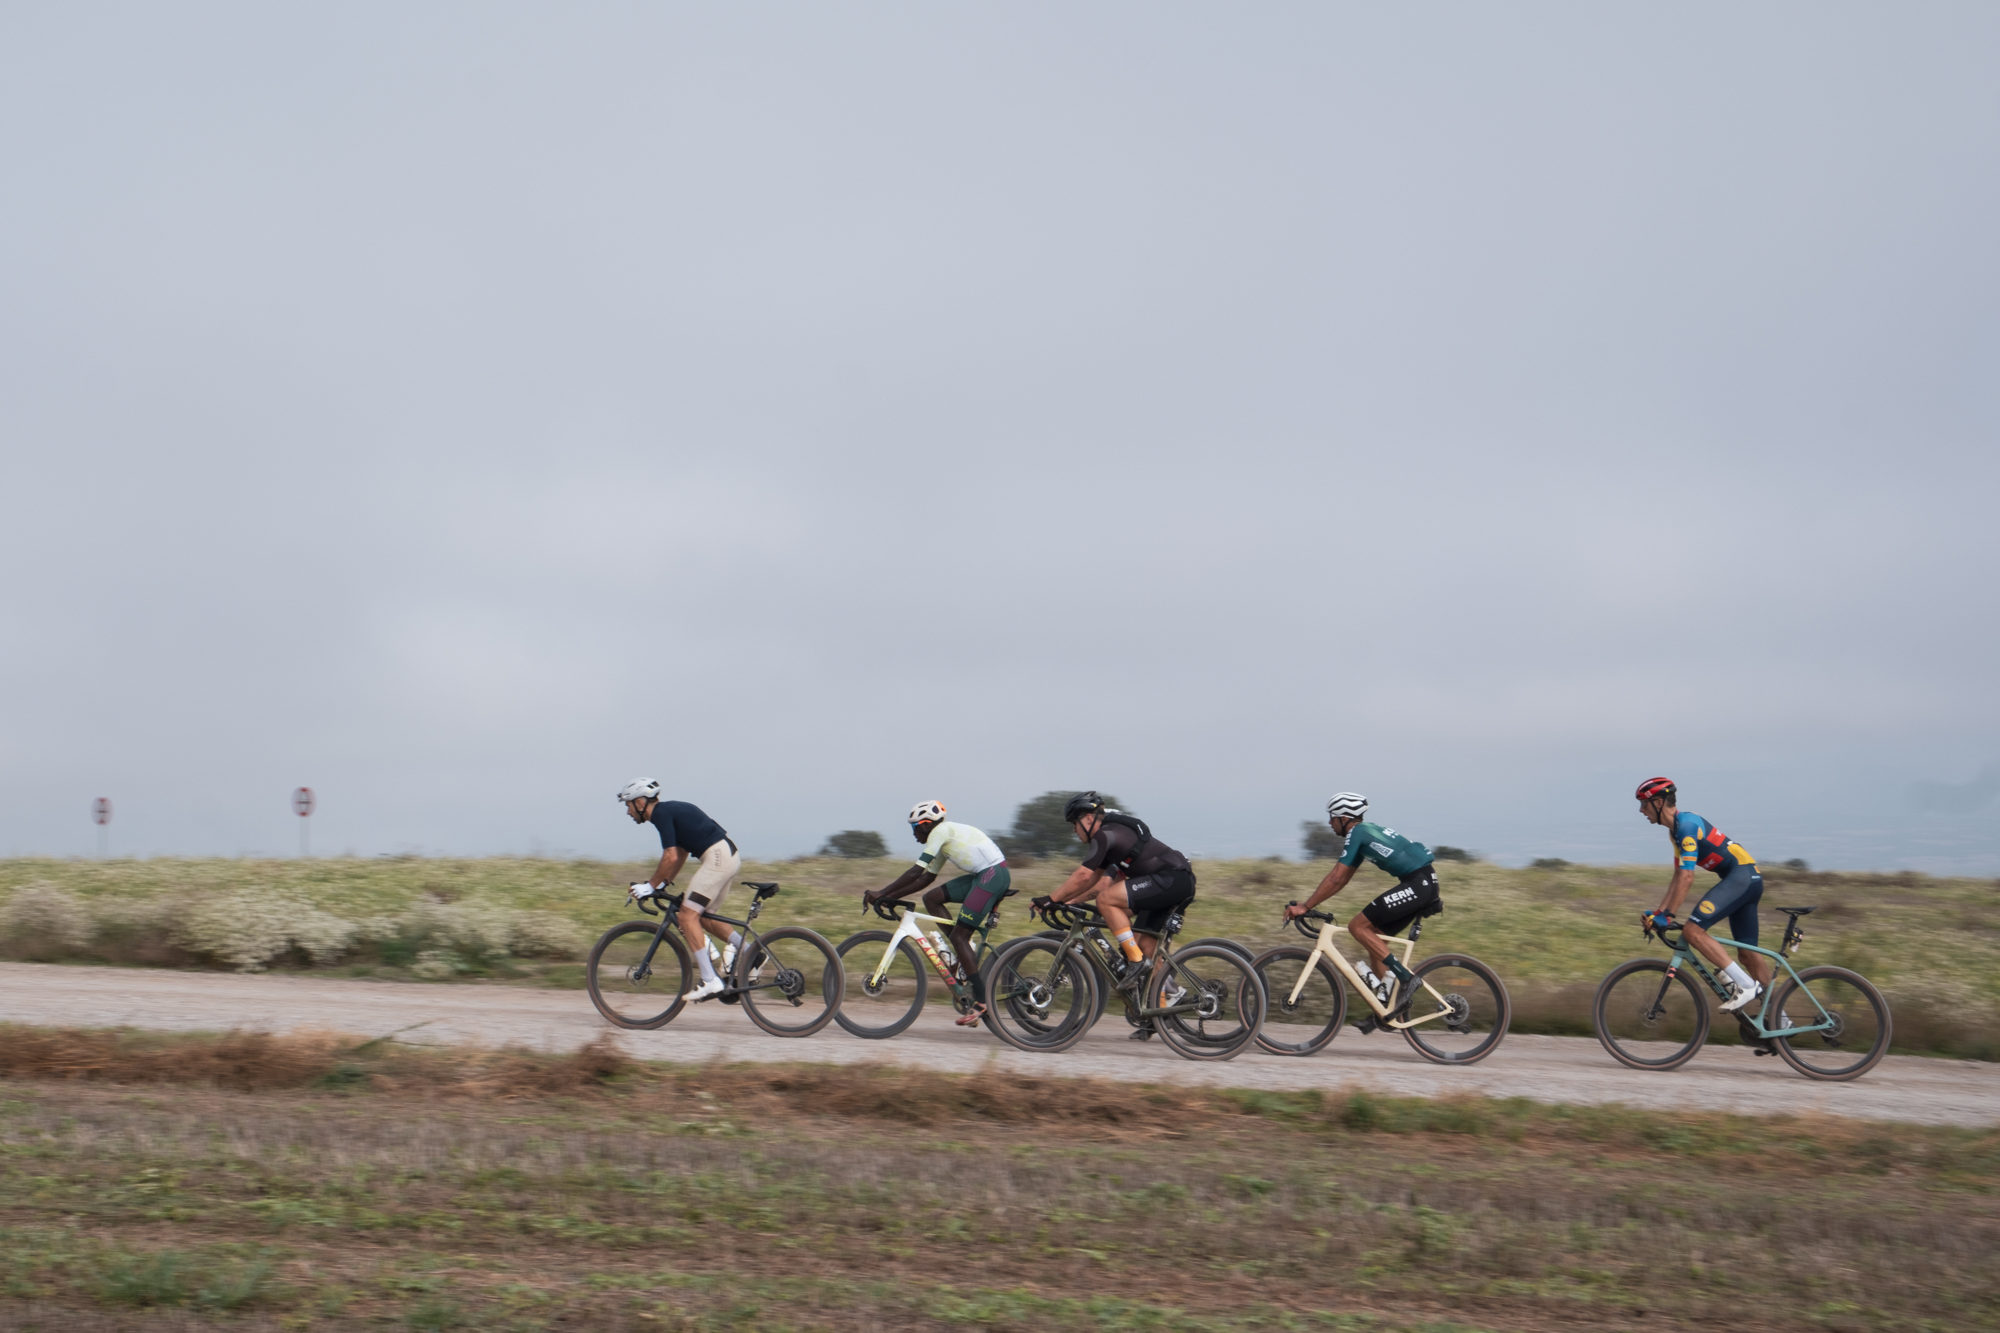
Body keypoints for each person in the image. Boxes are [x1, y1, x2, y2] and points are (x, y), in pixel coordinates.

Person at [1032, 792, 1197, 1040]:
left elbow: (1085, 878)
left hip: (1169, 879)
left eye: (1074, 824)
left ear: (1088, 819)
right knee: (1145, 948)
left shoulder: (1104, 835)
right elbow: (1092, 878)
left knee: (1106, 901)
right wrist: (1064, 900)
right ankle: (1159, 1011)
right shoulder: (1112, 840)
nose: (1073, 831)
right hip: (1176, 882)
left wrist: (1050, 899)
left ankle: (1135, 962)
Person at [1283, 792, 1439, 1014]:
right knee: (1373, 939)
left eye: (1332, 817)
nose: (1329, 823)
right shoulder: (1364, 834)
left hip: (1418, 884)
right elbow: (1342, 879)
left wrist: (1305, 907)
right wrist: (1310, 904)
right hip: (1422, 883)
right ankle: (1386, 1009)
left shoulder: (1357, 832)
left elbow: (1335, 878)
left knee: (1357, 926)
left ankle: (1406, 978)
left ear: (1344, 818)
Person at [862, 800, 1012, 1027]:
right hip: (984, 875)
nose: (914, 834)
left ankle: (981, 1001)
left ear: (925, 824)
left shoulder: (940, 832)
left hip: (991, 876)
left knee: (959, 936)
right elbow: (926, 879)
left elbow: (916, 871)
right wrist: (889, 897)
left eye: (914, 828)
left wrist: (881, 892)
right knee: (931, 899)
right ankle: (962, 954)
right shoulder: (943, 840)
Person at [1635, 777, 1768, 1014]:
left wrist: (1668, 915)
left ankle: (1746, 986)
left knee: (1693, 931)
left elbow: (1688, 877)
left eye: (1644, 804)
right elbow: (1678, 875)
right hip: (1747, 878)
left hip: (1740, 877)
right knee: (1748, 955)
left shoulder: (1686, 828)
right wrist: (1659, 913)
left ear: (1658, 803)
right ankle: (1781, 1019)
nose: (1641, 810)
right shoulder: (1675, 831)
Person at [617, 779, 742, 1003]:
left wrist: (650, 886)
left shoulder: (661, 814)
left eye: (628, 805)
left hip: (717, 858)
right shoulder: (670, 811)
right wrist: (663, 883)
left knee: (686, 916)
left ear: (640, 803)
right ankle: (751, 953)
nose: (628, 812)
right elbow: (681, 853)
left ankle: (710, 981)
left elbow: (670, 856)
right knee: (704, 917)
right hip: (728, 856)